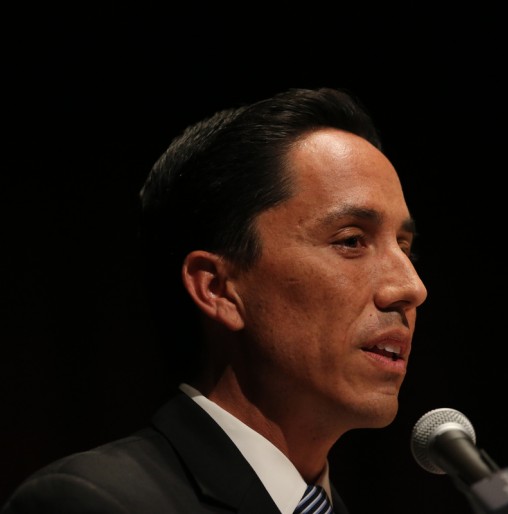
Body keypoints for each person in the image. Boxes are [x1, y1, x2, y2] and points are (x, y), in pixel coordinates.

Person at [2, 87, 428, 513]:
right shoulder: (93, 501)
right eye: (351, 241)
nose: (412, 288)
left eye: (405, 248)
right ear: (218, 289)